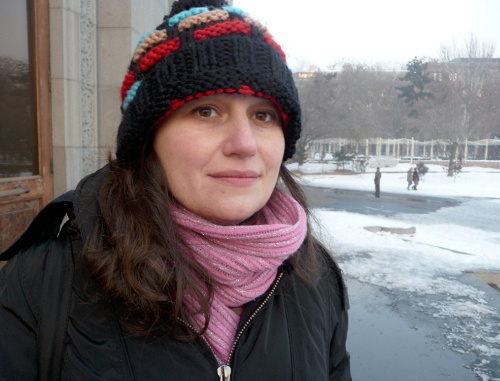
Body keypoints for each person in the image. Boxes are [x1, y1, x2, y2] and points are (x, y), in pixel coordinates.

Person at [0, 1, 351, 380]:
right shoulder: (43, 283)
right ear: (149, 139)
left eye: (262, 115)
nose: (244, 144)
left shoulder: (318, 279)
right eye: (206, 111)